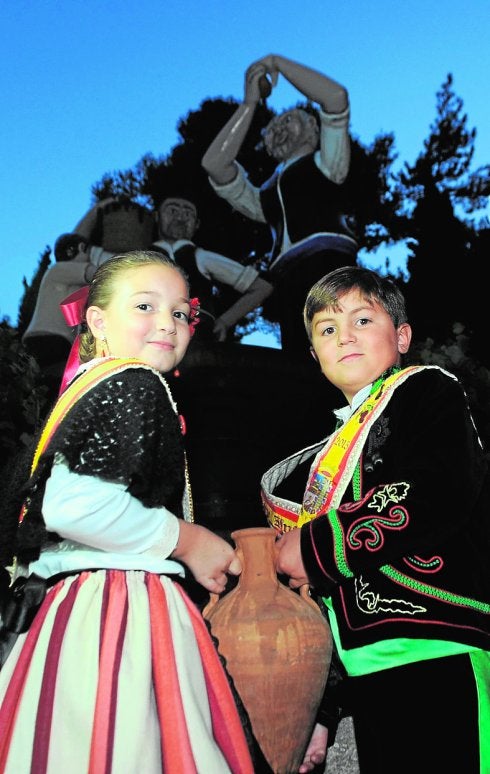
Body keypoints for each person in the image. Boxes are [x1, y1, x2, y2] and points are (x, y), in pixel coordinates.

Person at [0, 251, 256, 773]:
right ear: (97, 321)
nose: (168, 322)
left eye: (182, 313)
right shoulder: (135, 383)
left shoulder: (85, 389)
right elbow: (76, 505)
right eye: (145, 305)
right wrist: (189, 541)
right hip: (116, 610)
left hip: (67, 610)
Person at [261, 266, 490, 773]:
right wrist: (322, 710)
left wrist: (315, 547)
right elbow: (325, 597)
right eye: (326, 329)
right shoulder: (317, 460)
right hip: (363, 668)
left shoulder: (428, 392)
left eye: (362, 319)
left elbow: (437, 489)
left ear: (402, 336)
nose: (344, 336)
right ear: (315, 356)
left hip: (434, 645)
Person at [202, 54, 358, 358]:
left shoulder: (327, 165)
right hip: (287, 281)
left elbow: (336, 98)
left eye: (291, 120)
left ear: (313, 130)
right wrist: (249, 103)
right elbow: (215, 164)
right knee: (301, 364)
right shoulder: (266, 196)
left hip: (328, 267)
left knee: (339, 352)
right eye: (276, 124)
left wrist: (278, 64)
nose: (281, 128)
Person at [152, 196, 273, 343]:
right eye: (172, 210)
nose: (180, 217)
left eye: (188, 213)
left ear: (197, 224)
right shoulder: (137, 259)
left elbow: (262, 287)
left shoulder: (201, 257)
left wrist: (224, 322)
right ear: (157, 216)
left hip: (195, 341)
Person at [22, 233, 97, 395]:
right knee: (57, 386)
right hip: (49, 340)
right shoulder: (59, 269)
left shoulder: (70, 282)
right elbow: (94, 273)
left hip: (54, 342)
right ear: (80, 249)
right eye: (89, 252)